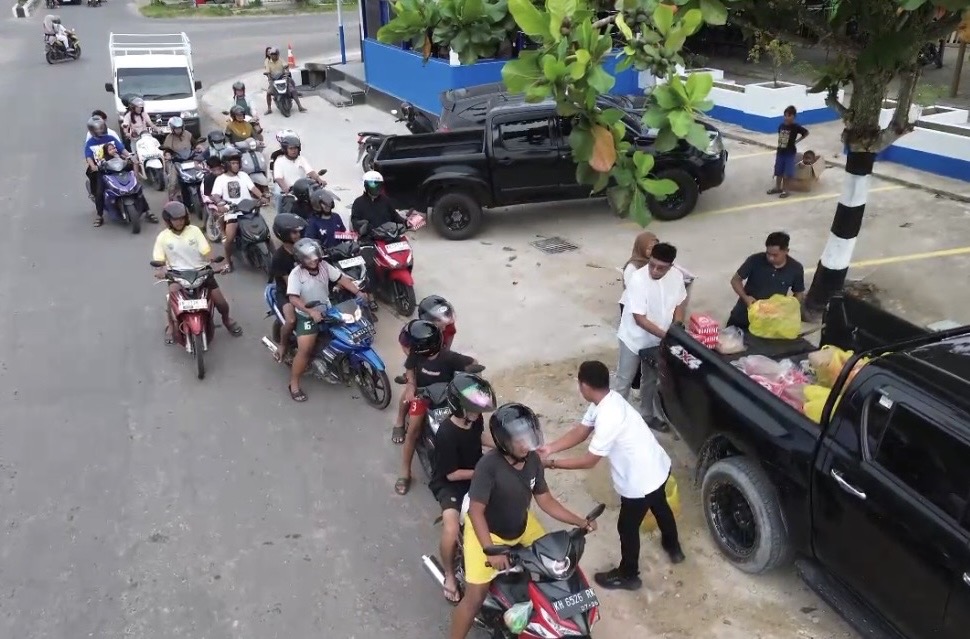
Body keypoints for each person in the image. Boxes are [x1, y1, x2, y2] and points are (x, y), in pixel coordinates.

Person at [448, 403, 596, 639]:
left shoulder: (533, 460)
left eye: (529, 436)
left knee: (557, 566)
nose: (526, 443)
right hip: (488, 533)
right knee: (474, 599)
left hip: (522, 525)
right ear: (504, 442)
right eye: (520, 440)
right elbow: (476, 512)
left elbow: (545, 500)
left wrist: (579, 521)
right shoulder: (488, 466)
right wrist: (490, 550)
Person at [539, 360, 684, 591]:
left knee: (627, 527)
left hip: (640, 481)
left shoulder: (608, 417)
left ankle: (629, 575)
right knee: (660, 505)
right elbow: (582, 429)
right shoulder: (607, 399)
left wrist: (552, 464)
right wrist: (550, 448)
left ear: (584, 386)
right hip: (657, 467)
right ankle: (673, 548)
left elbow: (589, 460)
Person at [430, 373, 498, 604]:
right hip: (450, 485)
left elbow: (480, 438)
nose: (478, 414)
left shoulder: (475, 419)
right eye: (474, 409)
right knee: (450, 530)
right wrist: (484, 472)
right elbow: (451, 474)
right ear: (459, 407)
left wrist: (503, 444)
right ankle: (449, 575)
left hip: (475, 473)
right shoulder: (446, 434)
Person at [395, 320, 479, 495]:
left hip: (447, 399)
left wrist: (471, 380)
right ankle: (405, 471)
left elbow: (473, 363)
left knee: (468, 424)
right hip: (423, 396)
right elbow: (410, 368)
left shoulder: (450, 358)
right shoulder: (416, 355)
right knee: (413, 432)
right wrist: (411, 385)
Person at [614, 242, 687, 431]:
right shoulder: (638, 279)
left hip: (658, 339)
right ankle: (614, 422)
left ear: (670, 266)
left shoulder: (677, 276)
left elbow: (680, 301)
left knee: (651, 380)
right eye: (652, 265)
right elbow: (640, 319)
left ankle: (646, 415)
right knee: (624, 380)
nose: (654, 270)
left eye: (661, 268)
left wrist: (677, 326)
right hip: (633, 338)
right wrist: (668, 336)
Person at [285, 238, 367, 402]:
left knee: (349, 330)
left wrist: (358, 292)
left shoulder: (324, 266)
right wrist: (310, 311)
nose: (314, 259)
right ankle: (294, 384)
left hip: (327, 310)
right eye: (308, 257)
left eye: (315, 256)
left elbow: (341, 279)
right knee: (305, 350)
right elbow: (293, 298)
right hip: (306, 315)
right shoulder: (296, 274)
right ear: (301, 259)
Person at [152, 202, 242, 344]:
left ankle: (226, 320)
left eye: (182, 218)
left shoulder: (194, 230)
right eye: (175, 219)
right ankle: (171, 325)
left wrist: (212, 260)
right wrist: (161, 270)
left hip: (201, 271)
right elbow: (159, 260)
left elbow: (206, 250)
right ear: (168, 220)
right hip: (177, 274)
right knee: (172, 301)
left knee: (221, 303)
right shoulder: (163, 237)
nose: (179, 222)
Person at [728, 231, 806, 330]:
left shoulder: (796, 268)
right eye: (768, 253)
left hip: (771, 319)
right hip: (744, 313)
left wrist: (789, 309)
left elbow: (798, 293)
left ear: (786, 251)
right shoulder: (754, 260)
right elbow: (735, 280)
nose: (770, 258)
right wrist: (745, 297)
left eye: (775, 255)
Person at [209, 147, 269, 271]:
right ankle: (228, 262)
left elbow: (253, 188)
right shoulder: (221, 179)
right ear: (226, 164)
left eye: (237, 163)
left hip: (248, 210)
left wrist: (261, 196)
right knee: (229, 239)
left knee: (265, 232)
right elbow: (215, 195)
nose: (236, 165)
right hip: (233, 212)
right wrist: (220, 203)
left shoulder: (243, 175)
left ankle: (272, 255)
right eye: (233, 163)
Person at [351, 171, 412, 285]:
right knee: (370, 264)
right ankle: (374, 290)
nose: (376, 188)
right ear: (366, 185)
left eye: (378, 184)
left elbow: (394, 216)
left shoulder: (386, 200)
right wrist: (362, 227)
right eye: (373, 184)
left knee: (406, 254)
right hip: (369, 238)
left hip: (389, 235)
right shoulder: (358, 203)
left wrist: (405, 222)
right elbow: (355, 221)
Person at [619, 232, 659, 392]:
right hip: (634, 317)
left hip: (650, 327)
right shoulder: (633, 267)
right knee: (626, 373)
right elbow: (636, 296)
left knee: (649, 376)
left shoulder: (657, 266)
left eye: (655, 247)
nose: (652, 250)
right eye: (649, 247)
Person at [267, 213, 307, 364]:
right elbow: (290, 284)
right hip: (287, 293)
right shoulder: (279, 257)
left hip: (308, 288)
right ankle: (283, 346)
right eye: (294, 232)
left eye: (299, 231)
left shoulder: (305, 248)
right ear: (283, 234)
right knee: (290, 320)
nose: (298, 234)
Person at [394, 295, 458, 385]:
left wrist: (443, 355)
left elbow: (449, 340)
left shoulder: (448, 326)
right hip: (420, 355)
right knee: (412, 390)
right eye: (439, 322)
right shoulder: (413, 331)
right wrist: (420, 361)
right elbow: (404, 345)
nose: (444, 328)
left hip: (438, 354)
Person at [85, 116, 132, 228]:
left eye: (101, 128)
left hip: (117, 165)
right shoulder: (90, 142)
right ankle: (99, 215)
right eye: (97, 129)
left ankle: (147, 210)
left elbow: (121, 149)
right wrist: (93, 166)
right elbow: (88, 157)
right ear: (92, 130)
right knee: (99, 192)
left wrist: (129, 156)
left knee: (133, 182)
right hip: (103, 170)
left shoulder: (111, 138)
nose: (99, 130)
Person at [100, 143, 157, 223]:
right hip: (113, 179)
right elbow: (100, 167)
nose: (113, 150)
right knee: (101, 192)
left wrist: (127, 159)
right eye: (110, 149)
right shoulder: (104, 160)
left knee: (138, 191)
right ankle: (101, 215)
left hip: (124, 176)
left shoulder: (120, 156)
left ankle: (148, 212)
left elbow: (128, 162)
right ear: (106, 151)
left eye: (113, 148)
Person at [272, 134, 326, 212]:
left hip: (302, 190)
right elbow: (278, 178)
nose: (294, 150)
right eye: (291, 148)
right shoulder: (279, 161)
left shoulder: (301, 159)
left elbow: (310, 171)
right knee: (284, 207)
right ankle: (280, 216)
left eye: (296, 148)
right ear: (285, 149)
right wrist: (285, 188)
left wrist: (319, 179)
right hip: (288, 192)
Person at [767, 105, 809, 199]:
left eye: (789, 116)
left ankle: (786, 190)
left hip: (790, 153)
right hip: (780, 152)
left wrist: (797, 141)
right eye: (785, 115)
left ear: (793, 117)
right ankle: (778, 187)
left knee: (787, 173)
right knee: (778, 171)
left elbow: (806, 133)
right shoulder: (781, 126)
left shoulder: (795, 127)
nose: (786, 117)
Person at [161, 116, 203, 203]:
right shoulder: (169, 138)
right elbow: (166, 150)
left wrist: (199, 147)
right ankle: (171, 200)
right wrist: (168, 155)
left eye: (180, 128)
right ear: (172, 129)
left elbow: (195, 144)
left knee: (203, 174)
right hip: (177, 162)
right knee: (172, 182)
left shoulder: (187, 134)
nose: (178, 130)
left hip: (190, 160)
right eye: (176, 129)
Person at [263, 47, 307, 115]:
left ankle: (300, 106)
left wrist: (286, 74)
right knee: (268, 93)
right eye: (272, 55)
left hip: (282, 78)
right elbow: (268, 72)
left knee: (292, 90)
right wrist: (269, 79)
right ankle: (269, 109)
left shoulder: (281, 60)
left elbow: (286, 67)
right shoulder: (268, 62)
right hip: (274, 80)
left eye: (275, 54)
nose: (273, 56)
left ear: (277, 55)